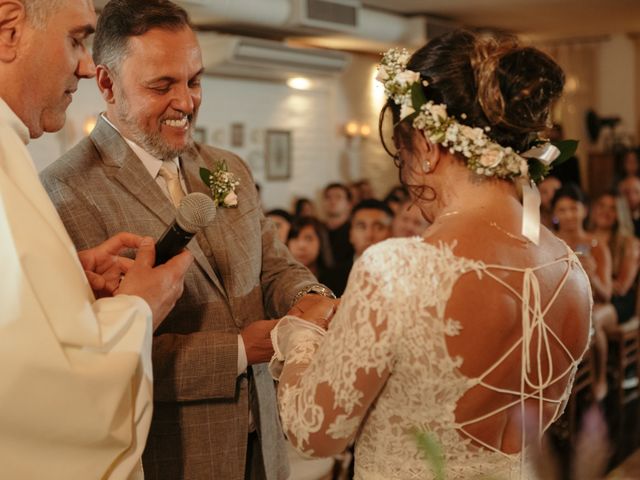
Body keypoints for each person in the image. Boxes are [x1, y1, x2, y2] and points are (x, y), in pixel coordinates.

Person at [269, 30, 592, 479]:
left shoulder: (397, 271)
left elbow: (315, 433)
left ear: (425, 145)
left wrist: (300, 333)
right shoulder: (569, 268)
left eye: (401, 151)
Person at [40, 1, 336, 479]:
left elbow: (275, 266)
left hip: (267, 440)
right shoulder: (65, 191)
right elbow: (97, 352)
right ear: (108, 84)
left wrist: (311, 298)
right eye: (162, 85)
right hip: (173, 454)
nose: (187, 102)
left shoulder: (226, 167)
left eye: (194, 80)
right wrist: (240, 349)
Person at [0, 0, 193, 478]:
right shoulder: (61, 181)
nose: (86, 66)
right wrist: (136, 309)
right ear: (9, 31)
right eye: (75, 40)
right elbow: (34, 395)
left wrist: (65, 281)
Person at [552, 183, 614, 400]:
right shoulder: (549, 244)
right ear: (555, 214)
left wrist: (593, 276)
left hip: (598, 306)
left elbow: (607, 294)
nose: (569, 215)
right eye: (562, 209)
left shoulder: (596, 246)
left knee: (592, 319)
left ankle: (600, 379)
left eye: (574, 208)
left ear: (584, 210)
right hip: (559, 306)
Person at [588, 191, 640, 325]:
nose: (606, 211)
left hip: (618, 302)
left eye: (612, 208)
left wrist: (598, 281)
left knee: (590, 320)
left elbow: (622, 287)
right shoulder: (585, 238)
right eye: (601, 206)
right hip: (589, 296)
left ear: (620, 214)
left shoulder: (630, 243)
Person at [324, 199, 394, 296]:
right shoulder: (330, 278)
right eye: (361, 227)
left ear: (392, 233)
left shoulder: (402, 274)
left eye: (378, 227)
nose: (369, 235)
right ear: (351, 234)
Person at [286, 216, 334, 284]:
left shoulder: (335, 279)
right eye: (295, 237)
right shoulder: (280, 280)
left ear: (321, 242)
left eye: (308, 238)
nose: (301, 245)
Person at [322, 182, 354, 264]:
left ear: (349, 204)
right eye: (328, 197)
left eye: (338, 197)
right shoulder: (318, 230)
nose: (332, 201)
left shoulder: (353, 231)